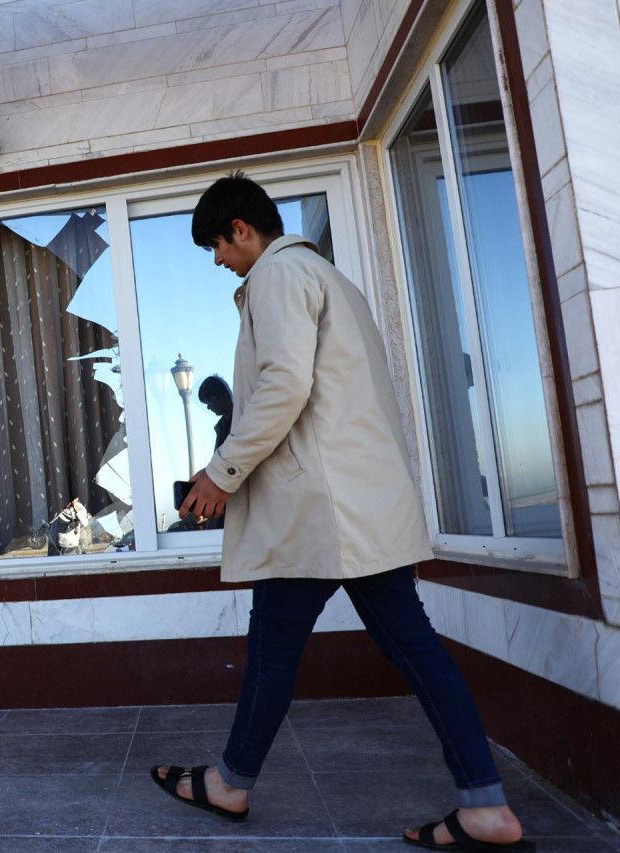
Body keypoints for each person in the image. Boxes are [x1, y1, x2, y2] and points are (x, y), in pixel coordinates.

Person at [151, 172, 531, 851]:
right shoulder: (334, 281)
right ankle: (484, 804)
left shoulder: (277, 275)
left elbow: (284, 385)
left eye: (216, 244)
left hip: (317, 511)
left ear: (243, 229)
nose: (217, 261)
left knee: (273, 649)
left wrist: (221, 472)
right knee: (414, 647)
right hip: (361, 506)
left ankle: (231, 783)